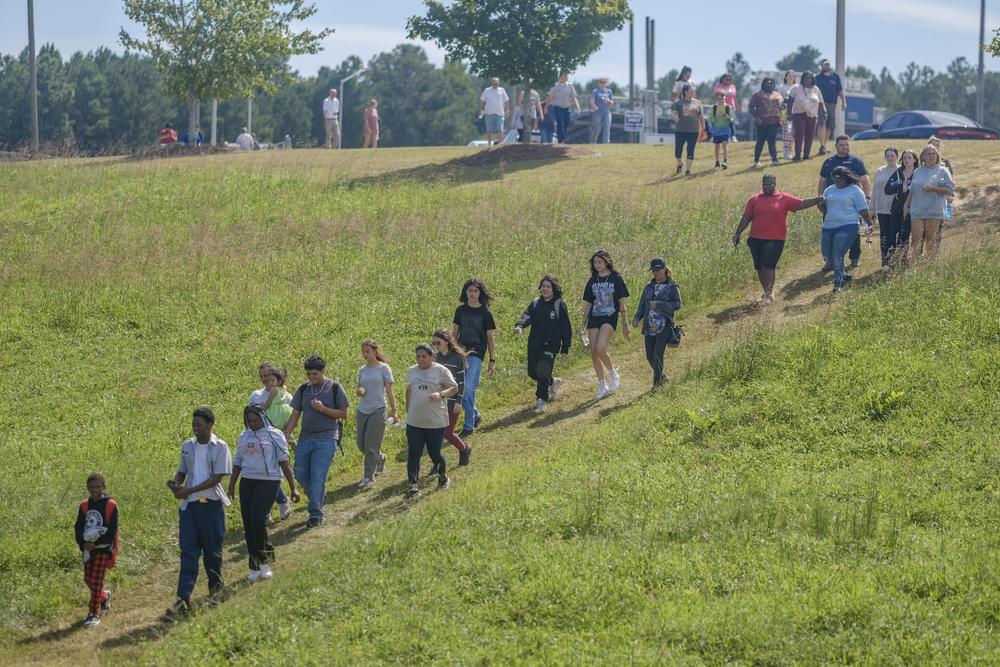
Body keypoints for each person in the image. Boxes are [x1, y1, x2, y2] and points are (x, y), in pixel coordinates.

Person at [166, 407, 232, 617]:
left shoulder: (220, 447)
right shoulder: (188, 446)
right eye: (193, 424)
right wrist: (176, 484)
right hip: (190, 508)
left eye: (199, 425)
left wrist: (189, 490)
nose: (195, 428)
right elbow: (182, 470)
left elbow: (216, 478)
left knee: (212, 551)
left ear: (210, 425)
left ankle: (215, 588)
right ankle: (183, 598)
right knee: (188, 552)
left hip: (210, 506)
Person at [228, 406, 299, 583]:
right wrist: (231, 486)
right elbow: (238, 462)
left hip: (268, 481)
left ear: (263, 417)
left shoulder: (274, 435)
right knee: (248, 523)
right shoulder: (244, 436)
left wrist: (293, 488)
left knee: (257, 520)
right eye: (249, 421)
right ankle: (254, 565)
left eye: (255, 420)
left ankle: (265, 561)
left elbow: (284, 462)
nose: (252, 424)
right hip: (247, 481)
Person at [732, 174, 825, 304]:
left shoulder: (783, 198)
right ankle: (767, 292)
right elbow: (746, 217)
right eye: (765, 184)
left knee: (768, 264)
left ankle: (769, 293)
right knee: (759, 266)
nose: (767, 187)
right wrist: (738, 233)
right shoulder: (754, 199)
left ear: (775, 184)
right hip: (755, 238)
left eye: (770, 184)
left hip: (775, 239)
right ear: (762, 184)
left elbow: (802, 203)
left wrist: (817, 200)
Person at [282, 355, 349, 528]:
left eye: (315, 374)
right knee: (300, 473)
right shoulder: (303, 389)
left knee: (318, 476)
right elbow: (295, 414)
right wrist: (286, 433)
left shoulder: (334, 387)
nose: (312, 377)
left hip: (327, 437)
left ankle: (315, 514)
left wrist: (322, 409)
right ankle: (318, 497)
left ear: (323, 372)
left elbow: (343, 413)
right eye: (309, 374)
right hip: (306, 437)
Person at [404, 343, 459, 499]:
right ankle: (413, 487)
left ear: (432, 357)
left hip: (435, 421)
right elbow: (409, 392)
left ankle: (443, 477)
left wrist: (440, 394)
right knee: (413, 453)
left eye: (424, 356)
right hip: (415, 421)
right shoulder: (412, 370)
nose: (420, 359)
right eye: (418, 356)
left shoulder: (440, 370)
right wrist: (409, 411)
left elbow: (454, 388)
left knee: (435, 454)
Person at [514, 274, 572, 413]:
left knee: (542, 369)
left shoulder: (559, 304)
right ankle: (553, 382)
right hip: (534, 343)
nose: (545, 289)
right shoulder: (535, 303)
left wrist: (565, 346)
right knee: (533, 372)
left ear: (554, 288)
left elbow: (566, 326)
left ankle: (541, 401)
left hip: (551, 345)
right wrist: (520, 326)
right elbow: (526, 316)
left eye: (548, 286)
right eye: (543, 286)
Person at [580, 250, 630, 400]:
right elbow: (589, 304)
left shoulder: (616, 278)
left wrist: (625, 323)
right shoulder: (592, 281)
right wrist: (583, 325)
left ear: (607, 262)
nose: (597, 265)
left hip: (610, 317)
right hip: (594, 318)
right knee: (594, 352)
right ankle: (602, 385)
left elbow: (621, 303)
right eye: (594, 263)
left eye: (599, 262)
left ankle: (613, 373)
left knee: (600, 348)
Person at [452, 278, 497, 438]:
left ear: (480, 293)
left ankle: (469, 425)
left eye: (475, 291)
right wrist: (452, 352)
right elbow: (454, 334)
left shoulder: (485, 314)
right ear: (465, 292)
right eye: (470, 290)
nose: (472, 293)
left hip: (476, 355)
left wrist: (492, 360)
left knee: (468, 388)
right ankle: (475, 414)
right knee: (460, 389)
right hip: (460, 354)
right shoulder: (460, 311)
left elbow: (490, 338)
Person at [818, 135, 871, 270]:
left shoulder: (856, 161)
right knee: (829, 233)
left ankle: (854, 257)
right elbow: (822, 181)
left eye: (847, 145)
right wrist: (820, 199)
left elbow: (865, 180)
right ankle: (830, 261)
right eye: (842, 145)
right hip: (831, 203)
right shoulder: (829, 162)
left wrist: (867, 197)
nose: (845, 147)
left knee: (853, 231)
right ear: (836, 146)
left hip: (850, 203)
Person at [249, 364, 294, 521]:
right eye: (261, 376)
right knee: (263, 473)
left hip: (278, 437)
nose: (265, 379)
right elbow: (250, 416)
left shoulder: (284, 394)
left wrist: (286, 433)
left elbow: (292, 414)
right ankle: (272, 506)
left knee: (272, 473)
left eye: (267, 375)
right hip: (259, 439)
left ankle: (281, 502)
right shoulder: (256, 395)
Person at [75, 473, 119, 627]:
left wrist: (98, 542)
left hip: (103, 548)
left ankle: (93, 613)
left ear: (104, 487)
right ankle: (103, 596)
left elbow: (112, 529)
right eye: (92, 487)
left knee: (96, 580)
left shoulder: (111, 505)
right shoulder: (84, 506)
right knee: (88, 579)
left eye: (98, 486)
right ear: (88, 488)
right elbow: (79, 527)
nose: (95, 489)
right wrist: (83, 543)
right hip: (88, 549)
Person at [632, 258, 682, 392]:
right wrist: (637, 318)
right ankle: (662, 377)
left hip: (664, 325)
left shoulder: (672, 287)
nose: (655, 273)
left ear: (665, 269)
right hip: (649, 326)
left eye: (658, 270)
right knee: (649, 356)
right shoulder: (648, 287)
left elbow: (677, 305)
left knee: (657, 355)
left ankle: (656, 384)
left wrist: (659, 305)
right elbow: (642, 305)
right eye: (653, 270)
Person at [821, 167, 873, 292]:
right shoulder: (829, 190)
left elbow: (863, 209)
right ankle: (843, 274)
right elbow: (824, 208)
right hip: (828, 226)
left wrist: (869, 224)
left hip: (848, 225)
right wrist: (821, 204)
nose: (836, 182)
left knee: (837, 254)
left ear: (846, 178)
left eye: (839, 179)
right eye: (834, 179)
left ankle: (837, 284)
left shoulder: (855, 190)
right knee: (827, 254)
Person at [355, 339, 398, 489]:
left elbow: (389, 392)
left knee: (370, 445)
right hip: (362, 410)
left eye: (368, 351)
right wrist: (359, 391)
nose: (365, 354)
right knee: (361, 444)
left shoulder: (384, 368)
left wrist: (394, 411)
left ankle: (369, 477)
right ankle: (380, 457)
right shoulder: (362, 370)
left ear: (375, 351)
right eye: (363, 352)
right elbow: (361, 387)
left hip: (378, 409)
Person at [904, 144, 955, 265]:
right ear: (923, 157)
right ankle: (912, 268)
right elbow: (912, 190)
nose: (931, 156)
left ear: (937, 156)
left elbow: (950, 190)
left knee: (930, 240)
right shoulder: (918, 171)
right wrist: (906, 205)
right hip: (917, 210)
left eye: (934, 154)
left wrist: (934, 189)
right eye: (929, 154)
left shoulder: (943, 170)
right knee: (915, 239)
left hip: (934, 210)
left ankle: (929, 267)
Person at [431, 329, 472, 465]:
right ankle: (437, 463)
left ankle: (464, 449)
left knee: (448, 433)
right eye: (434, 344)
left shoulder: (457, 358)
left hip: (453, 401)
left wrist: (459, 401)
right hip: (440, 401)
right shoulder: (436, 359)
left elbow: (461, 381)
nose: (436, 346)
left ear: (447, 341)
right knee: (436, 434)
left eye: (438, 342)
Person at [884, 149, 918, 266]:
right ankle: (894, 260)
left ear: (914, 159)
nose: (907, 160)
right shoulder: (898, 172)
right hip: (896, 208)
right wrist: (899, 186)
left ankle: (906, 260)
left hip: (912, 209)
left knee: (906, 234)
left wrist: (907, 190)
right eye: (904, 158)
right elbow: (887, 189)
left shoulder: (918, 172)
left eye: (909, 158)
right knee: (894, 233)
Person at [871, 148, 900, 271]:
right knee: (884, 236)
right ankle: (885, 262)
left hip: (896, 209)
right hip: (882, 209)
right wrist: (872, 208)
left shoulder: (901, 171)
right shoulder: (880, 171)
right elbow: (875, 190)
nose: (890, 157)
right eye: (887, 155)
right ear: (885, 157)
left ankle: (896, 259)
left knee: (895, 234)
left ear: (897, 157)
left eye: (892, 155)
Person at [749, 78, 784, 168]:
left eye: (773, 83)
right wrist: (756, 117)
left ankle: (774, 159)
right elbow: (751, 107)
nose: (771, 84)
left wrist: (783, 117)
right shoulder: (757, 94)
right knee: (760, 141)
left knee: (772, 142)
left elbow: (782, 107)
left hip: (774, 121)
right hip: (762, 122)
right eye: (769, 83)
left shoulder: (777, 94)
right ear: (763, 84)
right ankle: (756, 161)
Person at [670, 84, 703, 176]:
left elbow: (700, 117)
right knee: (677, 152)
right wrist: (677, 119)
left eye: (694, 91)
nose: (694, 92)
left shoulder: (698, 103)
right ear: (686, 92)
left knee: (690, 150)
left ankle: (688, 170)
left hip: (694, 131)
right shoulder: (678, 103)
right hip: (680, 131)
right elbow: (673, 114)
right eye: (692, 91)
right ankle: (680, 163)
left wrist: (703, 128)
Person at [789, 71, 821, 161]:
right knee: (799, 133)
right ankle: (798, 155)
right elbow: (790, 101)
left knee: (810, 135)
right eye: (806, 77)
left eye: (810, 77)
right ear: (802, 79)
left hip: (812, 115)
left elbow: (821, 102)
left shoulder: (816, 89)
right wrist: (788, 113)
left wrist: (824, 113)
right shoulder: (796, 88)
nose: (808, 79)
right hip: (799, 114)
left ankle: (806, 155)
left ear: (813, 79)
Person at [816, 59, 846, 156]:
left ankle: (824, 145)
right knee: (822, 123)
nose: (827, 66)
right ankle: (821, 145)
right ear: (822, 66)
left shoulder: (835, 77)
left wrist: (844, 102)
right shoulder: (817, 78)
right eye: (825, 65)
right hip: (821, 104)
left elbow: (840, 90)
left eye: (828, 64)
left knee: (830, 125)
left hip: (832, 104)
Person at [546, 72, 580, 143]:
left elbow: (574, 97)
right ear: (560, 76)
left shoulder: (570, 86)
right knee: (560, 123)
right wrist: (546, 107)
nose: (566, 77)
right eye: (564, 75)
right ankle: (561, 139)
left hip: (566, 108)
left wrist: (577, 106)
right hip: (557, 107)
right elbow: (550, 97)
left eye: (567, 75)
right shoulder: (555, 86)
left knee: (566, 123)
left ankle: (565, 138)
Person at [479, 78, 510, 145]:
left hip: (500, 113)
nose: (495, 85)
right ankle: (489, 144)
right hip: (489, 113)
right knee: (489, 130)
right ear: (491, 83)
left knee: (500, 129)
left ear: (499, 83)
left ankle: (500, 144)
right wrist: (481, 109)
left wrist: (507, 110)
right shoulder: (487, 91)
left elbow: (506, 100)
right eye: (494, 84)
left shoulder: (502, 90)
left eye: (496, 84)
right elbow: (482, 100)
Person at [709, 91, 734, 170]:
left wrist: (728, 118)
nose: (720, 100)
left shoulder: (728, 107)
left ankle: (725, 161)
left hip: (725, 129)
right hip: (717, 129)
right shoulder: (714, 107)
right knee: (717, 146)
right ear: (716, 99)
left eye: (722, 98)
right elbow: (710, 118)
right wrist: (712, 122)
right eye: (719, 99)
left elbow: (732, 119)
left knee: (724, 144)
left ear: (725, 98)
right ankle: (717, 162)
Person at [777, 70, 797, 159]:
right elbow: (779, 103)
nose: (790, 77)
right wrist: (782, 115)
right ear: (785, 77)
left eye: (792, 76)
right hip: (786, 113)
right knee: (788, 132)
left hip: (796, 113)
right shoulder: (781, 88)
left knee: (794, 133)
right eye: (789, 76)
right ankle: (787, 151)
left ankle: (792, 150)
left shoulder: (797, 87)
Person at [589, 79, 615, 144]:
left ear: (606, 84)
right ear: (599, 83)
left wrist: (608, 101)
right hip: (598, 112)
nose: (603, 84)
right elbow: (592, 100)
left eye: (604, 82)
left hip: (607, 112)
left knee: (607, 127)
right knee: (597, 127)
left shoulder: (609, 91)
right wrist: (594, 106)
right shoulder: (595, 91)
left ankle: (606, 143)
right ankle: (593, 141)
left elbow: (612, 102)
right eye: (601, 82)